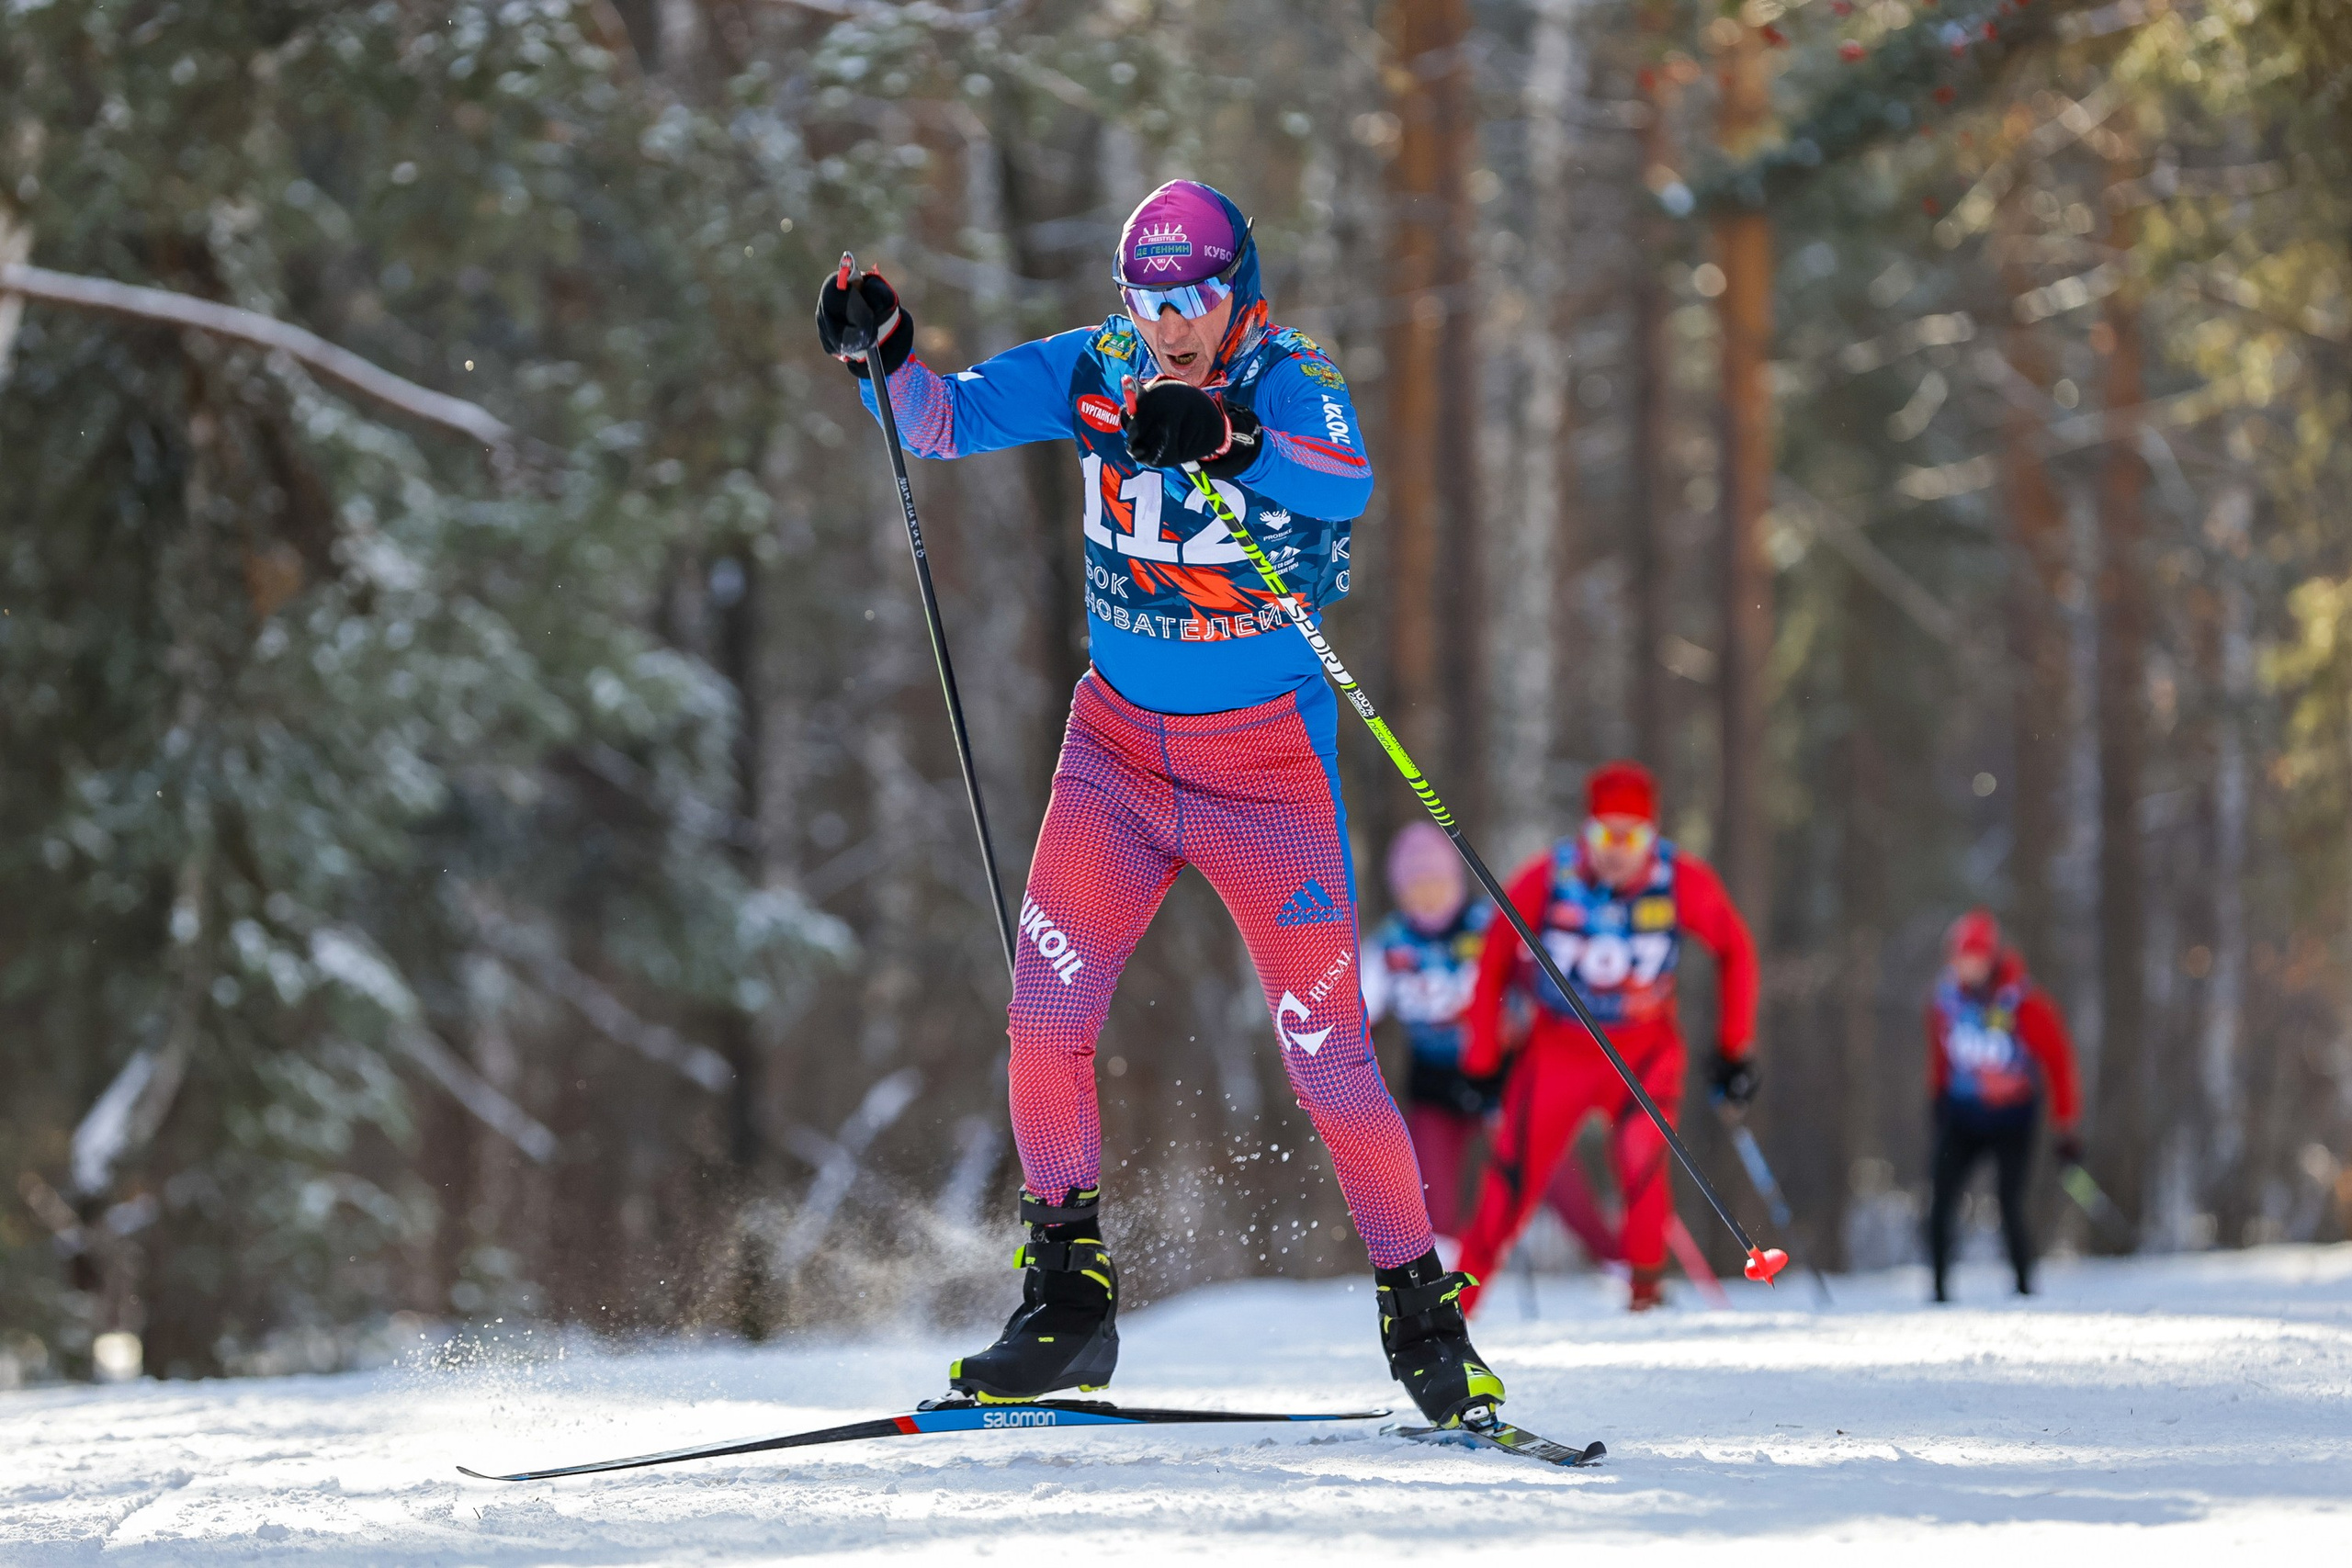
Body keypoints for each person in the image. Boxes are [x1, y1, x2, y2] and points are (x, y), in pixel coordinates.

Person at [816, 180, 1502, 1427]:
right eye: (1150, 299)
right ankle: (1067, 1307)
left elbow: (1341, 482)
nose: (1173, 324)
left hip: (1268, 775)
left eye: (1196, 297)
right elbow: (940, 422)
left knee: (1329, 1057)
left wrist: (1231, 442)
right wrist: (887, 353)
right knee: (1043, 1015)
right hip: (1117, 757)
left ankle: (1425, 1323)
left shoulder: (1292, 377)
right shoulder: (1098, 368)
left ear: (1241, 291)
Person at [1452, 760, 1758, 1314]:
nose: (1617, 850)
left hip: (1644, 1050)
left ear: (1652, 835)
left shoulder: (1678, 879)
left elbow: (1734, 948)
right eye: (1604, 834)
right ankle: (1454, 1312)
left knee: (1644, 1167)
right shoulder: (1551, 875)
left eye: (1631, 836)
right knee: (1509, 1183)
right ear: (1586, 832)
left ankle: (1646, 1300)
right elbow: (1494, 954)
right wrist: (1482, 1060)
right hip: (1559, 1052)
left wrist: (1733, 1049)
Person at [1361, 822, 1622, 1264]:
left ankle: (1619, 1263)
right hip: (1435, 1082)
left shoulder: (1486, 926)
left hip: (1501, 1074)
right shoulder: (1389, 945)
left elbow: (1538, 976)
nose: (1429, 896)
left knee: (1550, 1172)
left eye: (1437, 883)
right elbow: (1358, 1011)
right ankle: (1440, 1278)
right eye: (1417, 887)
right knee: (1429, 1192)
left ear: (1455, 882)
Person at [1925, 908, 2082, 1302]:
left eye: (1974, 958)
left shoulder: (2024, 1003)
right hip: (1963, 1116)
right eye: (1961, 958)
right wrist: (1938, 1099)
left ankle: (2025, 1287)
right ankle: (1939, 1291)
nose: (1966, 967)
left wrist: (2065, 1125)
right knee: (1941, 1196)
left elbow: (2058, 1062)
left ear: (1991, 958)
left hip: (2013, 1117)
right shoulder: (1946, 1001)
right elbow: (1941, 1056)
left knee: (2009, 1202)